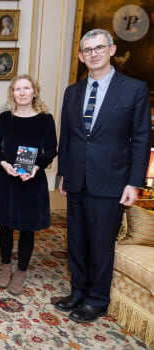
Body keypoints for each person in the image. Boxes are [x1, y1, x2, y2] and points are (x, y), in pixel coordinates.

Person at [55, 29, 151, 323]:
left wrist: (134, 182)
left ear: (111, 50)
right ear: (82, 56)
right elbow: (68, 138)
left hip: (111, 181)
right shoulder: (73, 92)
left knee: (100, 243)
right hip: (77, 179)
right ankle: (78, 292)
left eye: (99, 48)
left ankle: (97, 299)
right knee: (77, 241)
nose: (93, 54)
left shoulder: (134, 89)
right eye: (87, 50)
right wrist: (62, 173)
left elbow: (141, 137)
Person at [0, 74, 57, 295]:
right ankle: (6, 267)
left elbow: (52, 149)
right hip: (7, 178)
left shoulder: (45, 119)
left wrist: (36, 167)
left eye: (27, 88)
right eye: (18, 89)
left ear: (34, 91)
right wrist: (4, 164)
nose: (22, 92)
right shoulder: (4, 119)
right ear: (12, 93)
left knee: (27, 228)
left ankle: (21, 271)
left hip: (32, 180)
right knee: (5, 225)